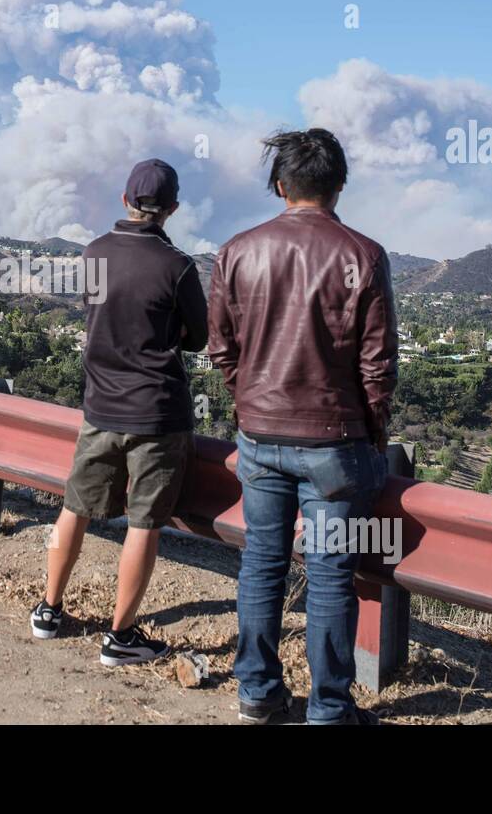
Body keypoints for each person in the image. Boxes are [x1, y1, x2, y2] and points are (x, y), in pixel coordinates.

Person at [207, 128, 398, 724]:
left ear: (281, 186)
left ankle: (258, 694)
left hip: (260, 439)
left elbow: (221, 349)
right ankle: (329, 709)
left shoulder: (238, 250)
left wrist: (250, 404)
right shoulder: (363, 255)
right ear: (339, 186)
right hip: (336, 444)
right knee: (330, 576)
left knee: (261, 562)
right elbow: (378, 364)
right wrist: (373, 432)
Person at [30, 158, 208, 666]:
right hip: (156, 416)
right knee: (143, 524)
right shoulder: (177, 267)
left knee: (75, 508)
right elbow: (199, 338)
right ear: (172, 209)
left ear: (124, 200)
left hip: (99, 408)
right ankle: (120, 636)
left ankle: (49, 610)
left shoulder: (95, 253)